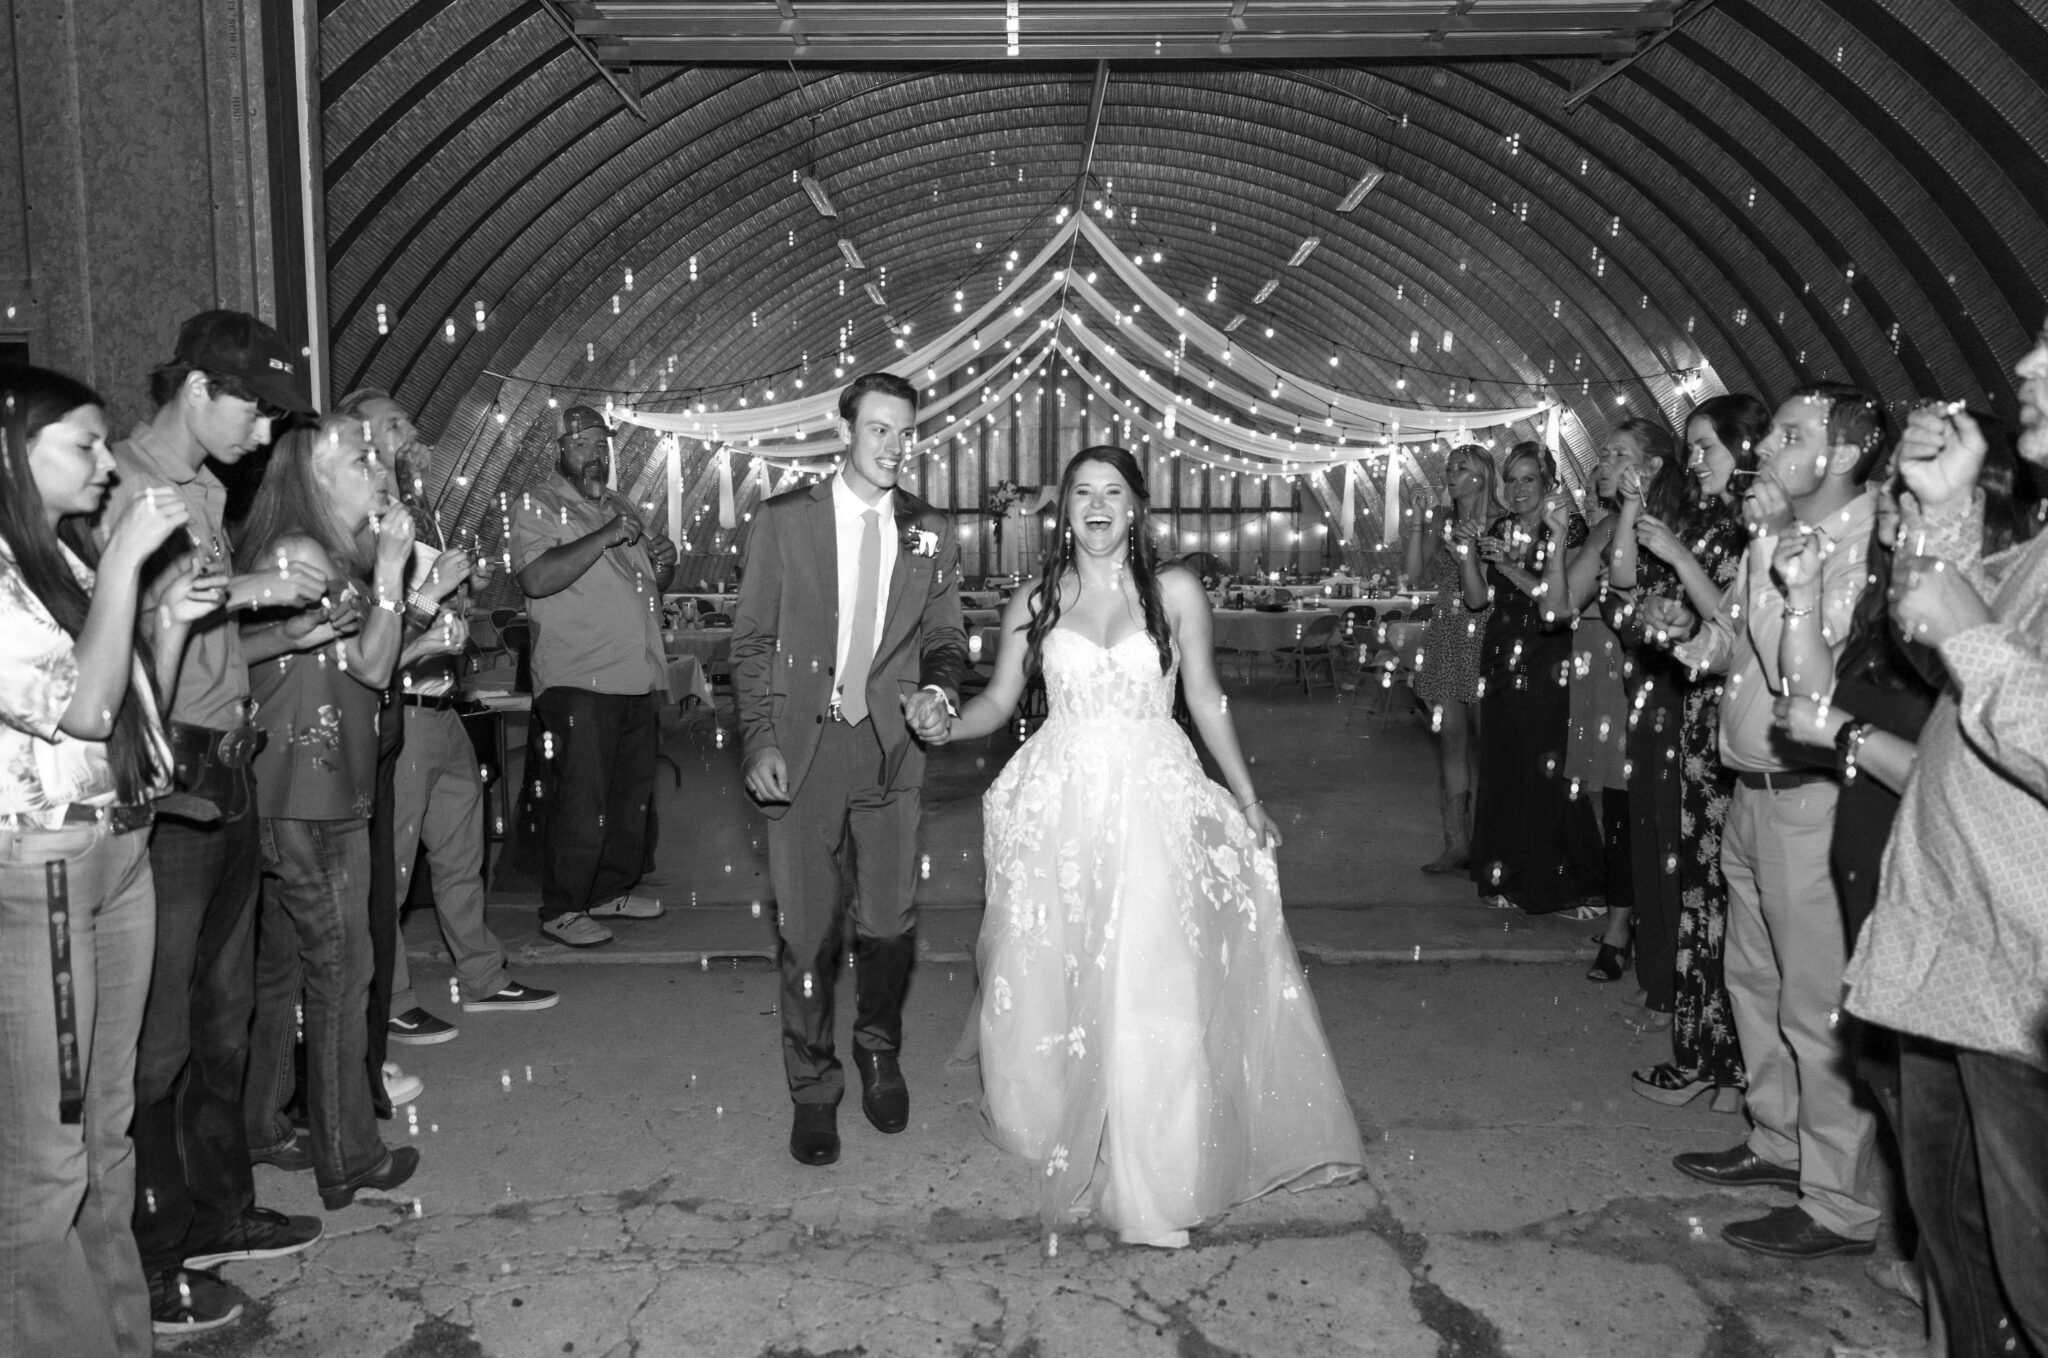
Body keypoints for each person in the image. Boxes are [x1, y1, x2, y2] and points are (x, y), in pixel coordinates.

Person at [948, 445, 1364, 1247]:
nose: (1097, 506)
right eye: (1081, 493)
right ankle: (1066, 1121)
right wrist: (940, 724)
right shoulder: (1034, 599)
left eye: (1113, 492)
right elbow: (1000, 701)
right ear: (1062, 509)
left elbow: (1203, 697)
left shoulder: (1174, 591)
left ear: (1137, 506)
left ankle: (1157, 1173)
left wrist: (1249, 799)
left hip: (1152, 800)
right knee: (1059, 970)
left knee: (1151, 978)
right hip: (1062, 805)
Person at [103, 311, 326, 1333]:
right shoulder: (123, 485)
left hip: (227, 770)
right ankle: (150, 1259)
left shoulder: (199, 488)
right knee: (156, 1042)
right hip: (172, 787)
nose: (265, 427)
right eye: (256, 404)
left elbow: (210, 631)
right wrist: (259, 582)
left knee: (223, 1014)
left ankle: (219, 1208)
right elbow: (143, 624)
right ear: (196, 386)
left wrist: (288, 621)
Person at [0, 365, 221, 1353]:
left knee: (108, 1128)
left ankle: (120, 1335)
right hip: (39, 868)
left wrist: (168, 623)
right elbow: (77, 710)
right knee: (47, 1157)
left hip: (116, 845)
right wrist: (132, 566)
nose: (104, 463)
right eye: (82, 445)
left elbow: (132, 727)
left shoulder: (67, 559)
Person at [1839, 357, 2048, 1355]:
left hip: (2025, 983)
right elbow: (1929, 638)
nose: (2024, 364)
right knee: (1962, 1252)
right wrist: (1948, 508)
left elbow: (1971, 652)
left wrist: (1973, 640)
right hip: (1954, 956)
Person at [1668, 383, 1887, 1260]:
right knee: (1752, 981)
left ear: (1839, 455)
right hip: (1751, 792)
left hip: (1816, 797)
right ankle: (1777, 1141)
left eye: (1790, 435)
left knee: (1817, 1006)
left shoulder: (1866, 545)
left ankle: (1836, 1204)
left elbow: (1810, 676)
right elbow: (1742, 641)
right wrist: (1701, 645)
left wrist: (1764, 548)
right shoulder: (1781, 536)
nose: (1768, 448)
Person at [731, 371, 968, 1168]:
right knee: (806, 938)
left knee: (890, 926)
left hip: (890, 749)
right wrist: (760, 739)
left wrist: (938, 689)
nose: (896, 447)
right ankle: (814, 1089)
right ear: (846, 433)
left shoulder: (928, 529)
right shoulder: (784, 522)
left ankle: (878, 1048)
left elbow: (945, 633)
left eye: (906, 433)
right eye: (880, 430)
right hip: (804, 753)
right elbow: (752, 641)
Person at [238, 414, 423, 1210]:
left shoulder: (319, 556)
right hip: (308, 798)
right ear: (313, 477)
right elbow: (374, 667)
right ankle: (347, 1156)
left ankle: (261, 1124)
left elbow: (360, 664)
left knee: (281, 974)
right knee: (344, 974)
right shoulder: (300, 555)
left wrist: (414, 591)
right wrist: (392, 570)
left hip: (306, 791)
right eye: (360, 458)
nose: (379, 469)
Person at [341, 390, 555, 1047]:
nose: (412, 438)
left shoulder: (412, 517)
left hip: (443, 704)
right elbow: (363, 640)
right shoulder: (350, 530)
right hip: (395, 710)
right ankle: (392, 997)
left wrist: (455, 594)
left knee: (462, 857)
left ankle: (483, 977)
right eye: (396, 427)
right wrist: (427, 607)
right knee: (394, 871)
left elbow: (429, 608)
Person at [1608, 394, 1764, 1109]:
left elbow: (1736, 623)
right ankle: (1711, 1056)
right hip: (1704, 718)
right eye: (1693, 447)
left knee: (1725, 903)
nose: (1695, 460)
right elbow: (1702, 618)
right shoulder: (1713, 521)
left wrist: (1673, 558)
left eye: (1707, 448)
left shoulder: (1755, 530)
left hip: (1732, 723)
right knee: (1707, 894)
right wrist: (1668, 613)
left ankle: (1727, 1063)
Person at [511, 405, 677, 948]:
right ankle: (562, 907)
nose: (594, 453)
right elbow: (536, 579)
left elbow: (646, 583)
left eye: (600, 444)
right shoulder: (537, 503)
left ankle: (610, 890)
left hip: (636, 673)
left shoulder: (620, 503)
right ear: (558, 450)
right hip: (580, 679)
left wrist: (666, 561)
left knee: (630, 799)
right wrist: (606, 534)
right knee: (581, 800)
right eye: (580, 443)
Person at [1468, 442, 1602, 914]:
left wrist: (1505, 565)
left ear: (1548, 484)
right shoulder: (1499, 528)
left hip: (1547, 656)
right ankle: (1505, 874)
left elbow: (1556, 601)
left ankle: (1564, 883)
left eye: (1529, 479)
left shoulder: (1568, 530)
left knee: (1547, 766)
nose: (1519, 488)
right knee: (1503, 766)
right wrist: (1470, 556)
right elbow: (1479, 598)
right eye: (1512, 479)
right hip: (1500, 655)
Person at [1401, 443, 1499, 873]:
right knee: (1452, 740)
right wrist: (1421, 522)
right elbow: (1414, 573)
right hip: (1447, 632)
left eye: (1462, 467)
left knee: (1491, 740)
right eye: (1449, 468)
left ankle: (1494, 841)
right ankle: (1456, 843)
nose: (1451, 474)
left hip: (1488, 631)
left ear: (1483, 474)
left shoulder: (1501, 519)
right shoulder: (1442, 521)